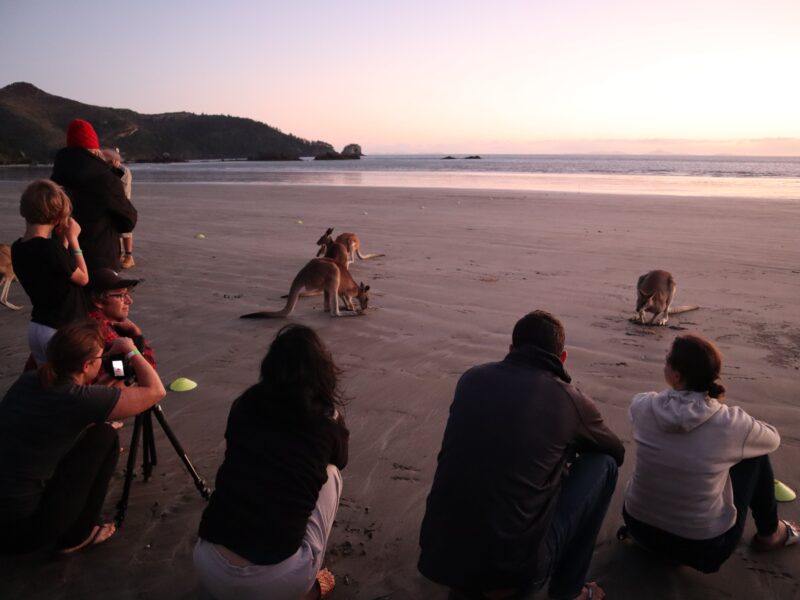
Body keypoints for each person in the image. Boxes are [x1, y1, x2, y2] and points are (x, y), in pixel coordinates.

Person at [419, 310, 625, 600]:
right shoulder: (568, 398)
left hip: (438, 557)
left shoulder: (471, 378)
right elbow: (616, 452)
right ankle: (569, 590)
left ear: (511, 349)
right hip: (512, 571)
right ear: (562, 358)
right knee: (603, 465)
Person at [194, 325, 348, 600]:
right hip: (277, 581)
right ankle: (307, 587)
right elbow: (341, 459)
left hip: (208, 564)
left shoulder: (244, 404)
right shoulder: (326, 419)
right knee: (331, 473)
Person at [622, 334, 798, 573]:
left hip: (637, 526)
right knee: (754, 456)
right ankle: (770, 533)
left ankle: (662, 536)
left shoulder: (642, 405)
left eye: (667, 359)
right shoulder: (731, 422)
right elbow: (772, 438)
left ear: (675, 375)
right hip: (704, 549)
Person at [0, 320, 166, 555]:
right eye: (100, 358)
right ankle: (77, 536)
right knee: (104, 435)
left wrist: (101, 387)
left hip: (5, 515)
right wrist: (131, 349)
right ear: (87, 364)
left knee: (92, 431)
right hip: (24, 530)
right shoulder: (78, 399)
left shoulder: (30, 380)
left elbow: (64, 415)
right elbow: (156, 391)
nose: (104, 360)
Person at [11, 179, 89, 366]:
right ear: (57, 218)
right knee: (66, 386)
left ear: (23, 211)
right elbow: (83, 278)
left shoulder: (18, 247)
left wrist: (63, 243)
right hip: (62, 328)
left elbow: (55, 270)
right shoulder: (49, 248)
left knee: (46, 383)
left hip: (38, 326)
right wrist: (73, 240)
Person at [51, 119, 137, 271]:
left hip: (65, 259)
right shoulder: (106, 180)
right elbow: (128, 221)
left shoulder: (54, 180)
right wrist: (112, 174)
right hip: (100, 260)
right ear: (95, 150)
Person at [87, 268, 155, 368]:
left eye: (127, 294)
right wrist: (136, 333)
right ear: (98, 301)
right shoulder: (102, 331)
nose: (129, 301)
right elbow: (145, 369)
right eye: (120, 295)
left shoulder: (89, 322)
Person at [100, 148, 136, 269]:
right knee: (115, 230)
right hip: (109, 202)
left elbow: (123, 190)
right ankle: (119, 255)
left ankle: (129, 256)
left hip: (122, 202)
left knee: (126, 231)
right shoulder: (105, 169)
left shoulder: (124, 170)